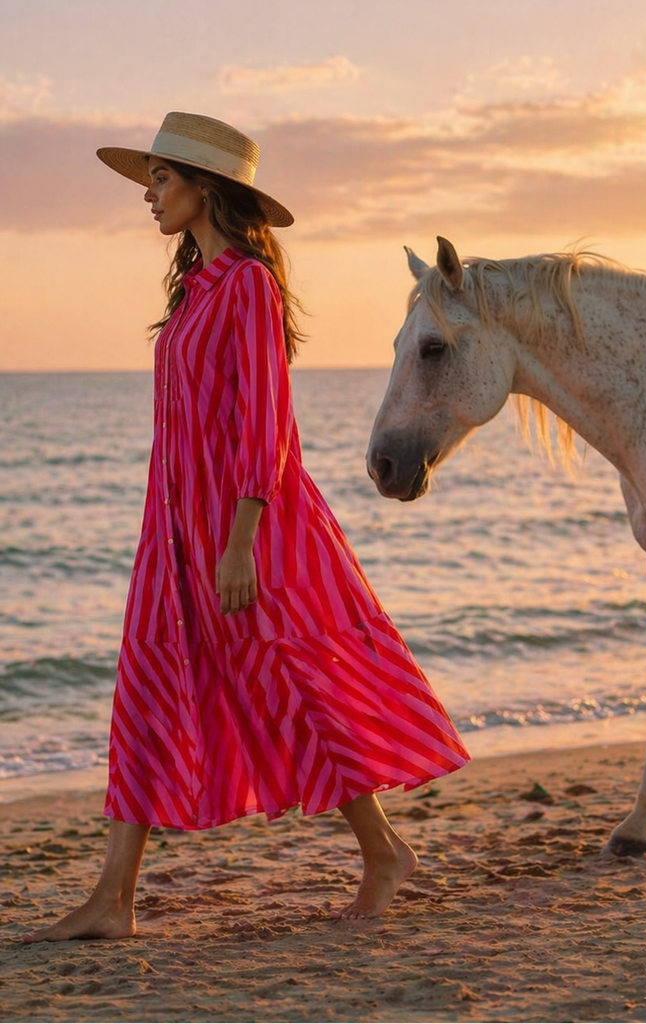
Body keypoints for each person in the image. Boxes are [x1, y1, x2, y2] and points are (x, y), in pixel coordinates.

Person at [24, 112, 470, 942]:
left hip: (250, 526)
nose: (150, 196)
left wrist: (238, 542)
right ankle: (113, 900)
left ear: (206, 188)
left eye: (161, 179)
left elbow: (266, 424)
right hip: (174, 527)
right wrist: (187, 534)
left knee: (299, 684)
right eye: (150, 180)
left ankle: (383, 852)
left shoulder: (250, 289)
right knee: (147, 685)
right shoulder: (193, 292)